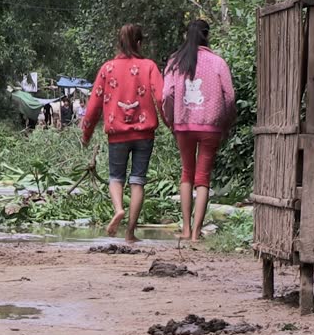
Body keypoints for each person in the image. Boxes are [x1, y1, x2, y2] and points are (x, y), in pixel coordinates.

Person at [81, 24, 166, 242]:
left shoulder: (107, 68)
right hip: (144, 134)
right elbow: (161, 98)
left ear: (119, 43)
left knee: (115, 177)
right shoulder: (149, 66)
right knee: (138, 181)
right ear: (139, 43)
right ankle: (130, 232)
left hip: (117, 134)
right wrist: (169, 123)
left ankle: (118, 209)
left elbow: (93, 105)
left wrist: (86, 134)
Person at [162, 19, 236, 242]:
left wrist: (170, 119)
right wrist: (226, 121)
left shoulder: (176, 62)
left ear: (187, 35)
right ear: (207, 35)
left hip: (183, 125)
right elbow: (230, 96)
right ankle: (196, 233)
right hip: (210, 125)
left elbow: (166, 94)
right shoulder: (218, 62)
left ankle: (184, 229)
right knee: (202, 178)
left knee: (187, 174)